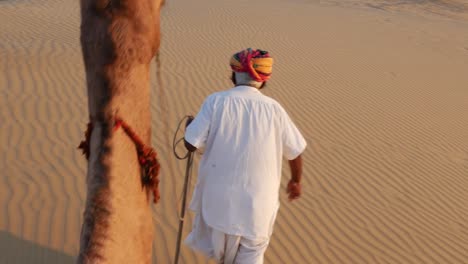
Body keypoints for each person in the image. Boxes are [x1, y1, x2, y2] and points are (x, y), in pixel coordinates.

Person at [184, 48, 307, 264]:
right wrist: (295, 181)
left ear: (233, 74)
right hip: (258, 210)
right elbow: (295, 151)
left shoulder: (215, 102)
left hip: (218, 206)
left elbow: (190, 144)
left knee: (222, 257)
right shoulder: (275, 109)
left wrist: (189, 127)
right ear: (264, 80)